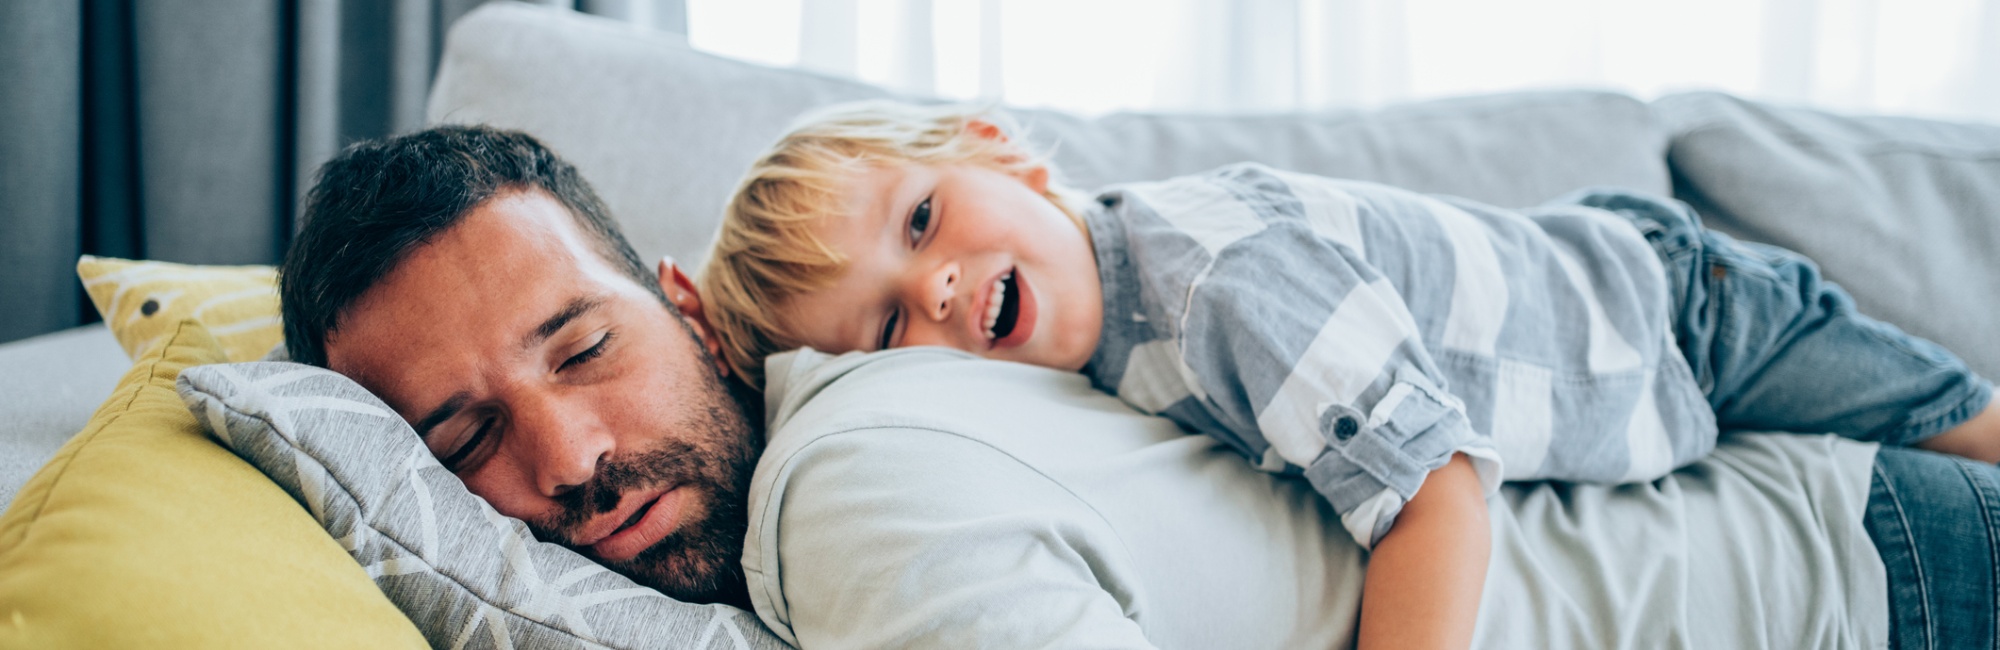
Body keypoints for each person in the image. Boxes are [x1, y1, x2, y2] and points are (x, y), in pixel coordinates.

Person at [282, 124, 1997, 648]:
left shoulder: (855, 481)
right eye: (461, 441)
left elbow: (1434, 485)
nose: (570, 454)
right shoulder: (952, 359)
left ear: (690, 313)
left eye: (580, 350)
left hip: (1845, 550)